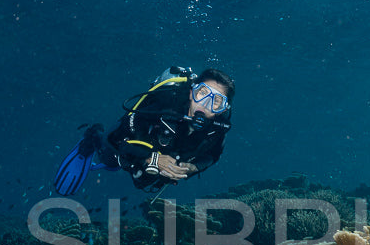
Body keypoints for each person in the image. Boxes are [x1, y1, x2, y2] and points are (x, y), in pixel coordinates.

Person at [54, 66, 235, 195]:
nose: (205, 103)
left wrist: (193, 167)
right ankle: (92, 137)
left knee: (143, 182)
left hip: (164, 158)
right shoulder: (165, 103)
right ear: (191, 92)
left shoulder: (218, 128)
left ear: (223, 109)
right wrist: (152, 158)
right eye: (202, 93)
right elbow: (115, 138)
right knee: (109, 160)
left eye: (216, 101)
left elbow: (213, 156)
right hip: (133, 144)